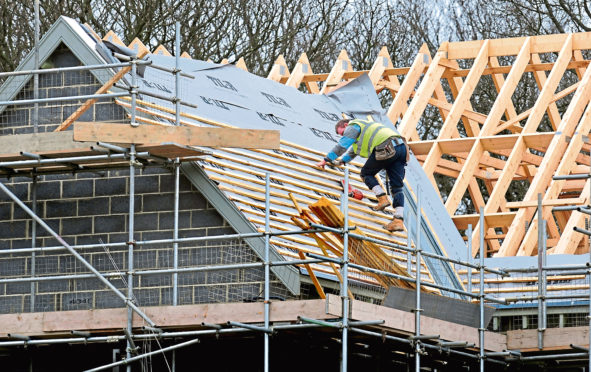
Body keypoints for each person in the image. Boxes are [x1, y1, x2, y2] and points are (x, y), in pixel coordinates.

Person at [315, 118, 409, 232]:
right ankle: (398, 221)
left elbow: (342, 146)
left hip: (386, 146)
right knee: (397, 188)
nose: (344, 136)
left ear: (345, 125)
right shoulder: (364, 130)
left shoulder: (353, 126)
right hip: (401, 147)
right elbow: (353, 151)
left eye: (342, 133)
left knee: (366, 174)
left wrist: (326, 159)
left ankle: (382, 198)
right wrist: (342, 161)